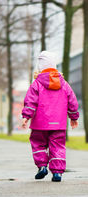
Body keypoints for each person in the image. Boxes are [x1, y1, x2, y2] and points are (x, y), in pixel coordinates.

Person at [21, 51, 79, 182]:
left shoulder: (36, 84)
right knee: (58, 146)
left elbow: (30, 102)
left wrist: (26, 116)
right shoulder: (64, 84)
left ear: (40, 67)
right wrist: (74, 117)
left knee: (38, 143)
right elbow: (72, 101)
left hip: (39, 124)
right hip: (58, 124)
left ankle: (42, 166)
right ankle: (57, 173)